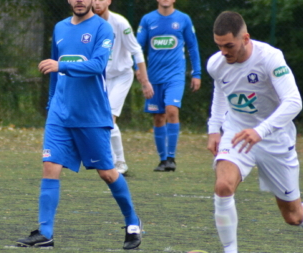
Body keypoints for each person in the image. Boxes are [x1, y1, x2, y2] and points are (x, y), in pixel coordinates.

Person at [206, 11, 303, 253]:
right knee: (223, 186)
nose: (223, 52)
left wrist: (261, 130)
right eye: (219, 46)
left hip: (275, 137)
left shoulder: (270, 58)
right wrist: (214, 128)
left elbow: (294, 101)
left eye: (229, 45)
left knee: (293, 216)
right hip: (236, 132)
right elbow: (220, 93)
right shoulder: (216, 64)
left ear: (246, 38)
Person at [15, 0, 142, 249]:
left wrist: (61, 65)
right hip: (59, 114)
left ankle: (132, 221)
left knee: (107, 173)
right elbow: (53, 71)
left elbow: (96, 65)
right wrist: (52, 103)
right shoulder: (60, 28)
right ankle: (45, 232)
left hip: (91, 116)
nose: (80, 0)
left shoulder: (103, 28)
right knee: (50, 166)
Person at [136, 0, 201, 172]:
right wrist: (139, 70)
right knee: (158, 117)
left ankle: (171, 158)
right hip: (154, 78)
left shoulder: (183, 19)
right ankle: (163, 160)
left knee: (171, 110)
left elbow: (193, 47)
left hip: (175, 76)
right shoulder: (147, 19)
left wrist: (196, 73)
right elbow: (137, 48)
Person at [93, 0, 154, 175]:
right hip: (101, 78)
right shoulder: (88, 24)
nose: (97, 2)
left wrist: (145, 81)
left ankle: (120, 162)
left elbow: (136, 50)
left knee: (108, 118)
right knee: (100, 121)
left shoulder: (120, 23)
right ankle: (113, 161)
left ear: (109, 1)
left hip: (121, 76)